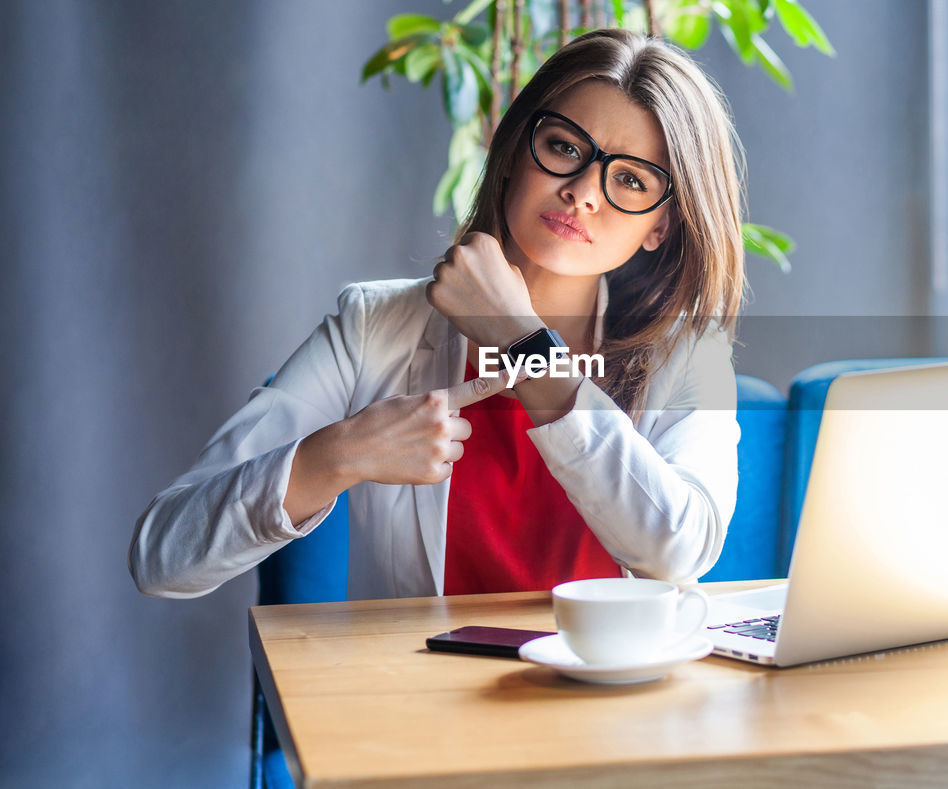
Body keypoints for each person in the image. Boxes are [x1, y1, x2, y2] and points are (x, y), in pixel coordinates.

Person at [130, 29, 745, 601]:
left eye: (632, 181)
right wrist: (338, 454)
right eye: (563, 147)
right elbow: (163, 555)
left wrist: (520, 343)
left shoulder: (688, 350)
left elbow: (681, 549)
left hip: (613, 707)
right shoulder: (373, 326)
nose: (584, 191)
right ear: (512, 153)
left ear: (660, 226)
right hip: (423, 705)